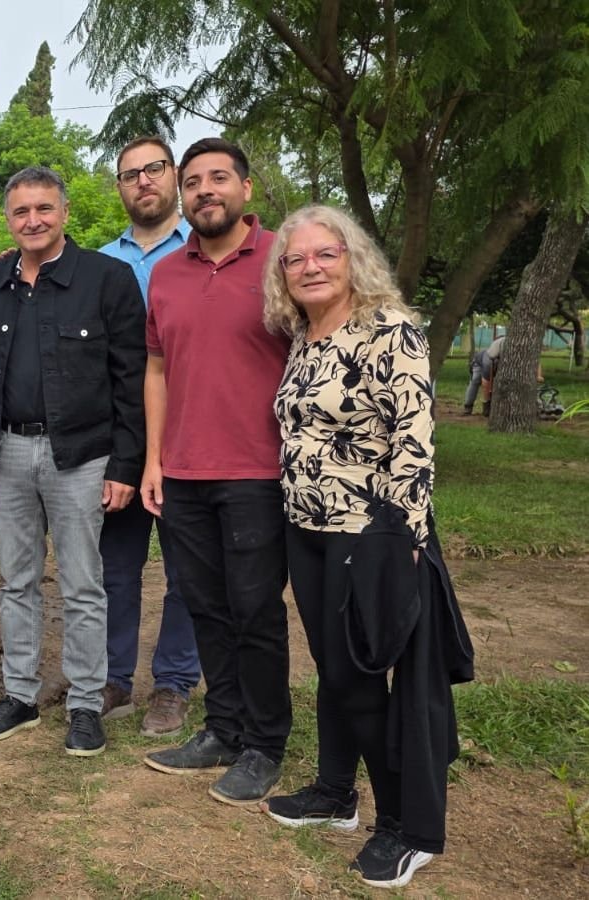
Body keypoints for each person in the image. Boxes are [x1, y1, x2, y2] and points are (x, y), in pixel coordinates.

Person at [262, 204, 472, 889]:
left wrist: (406, 537)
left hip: (370, 534)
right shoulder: (305, 333)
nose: (311, 267)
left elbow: (415, 440)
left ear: (353, 258)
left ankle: (403, 827)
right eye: (297, 259)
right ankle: (333, 794)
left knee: (358, 679)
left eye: (326, 254)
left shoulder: (390, 332)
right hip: (307, 528)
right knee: (332, 669)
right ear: (284, 275)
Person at [0, 166, 147, 757]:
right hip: (8, 454)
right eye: (21, 212)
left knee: (82, 585)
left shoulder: (108, 279)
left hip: (82, 456)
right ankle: (20, 695)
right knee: (16, 581)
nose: (33, 220)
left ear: (65, 212)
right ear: (8, 219)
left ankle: (86, 703)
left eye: (44, 209)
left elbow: (131, 380)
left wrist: (125, 465)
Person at [140, 138, 293, 805]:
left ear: (246, 189)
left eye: (218, 179)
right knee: (203, 605)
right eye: (194, 180)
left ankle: (264, 743)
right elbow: (156, 368)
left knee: (255, 610)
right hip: (182, 473)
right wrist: (154, 459)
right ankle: (222, 729)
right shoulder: (169, 274)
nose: (205, 190)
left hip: (259, 471)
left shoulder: (285, 262)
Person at [96, 136, 201, 737]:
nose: (143, 182)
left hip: (188, 437)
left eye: (154, 170)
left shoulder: (200, 253)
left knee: (186, 572)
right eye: (130, 173)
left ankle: (173, 683)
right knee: (115, 569)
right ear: (120, 187)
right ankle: (113, 678)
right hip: (117, 444)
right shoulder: (97, 264)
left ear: (176, 177)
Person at [462, 335, 503, 415]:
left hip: (493, 363)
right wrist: (487, 402)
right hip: (479, 363)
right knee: (475, 380)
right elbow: (485, 383)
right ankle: (468, 406)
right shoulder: (488, 360)